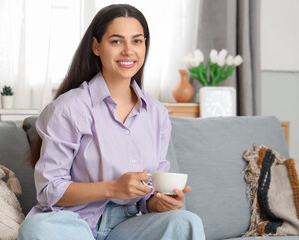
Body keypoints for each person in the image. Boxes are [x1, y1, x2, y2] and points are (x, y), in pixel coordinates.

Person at [18, 4, 205, 240]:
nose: (128, 51)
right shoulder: (69, 108)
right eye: (116, 41)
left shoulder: (157, 113)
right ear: (96, 46)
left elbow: (149, 197)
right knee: (37, 229)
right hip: (73, 224)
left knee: (185, 222)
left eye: (137, 41)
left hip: (127, 226)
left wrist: (162, 202)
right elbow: (49, 190)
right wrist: (113, 187)